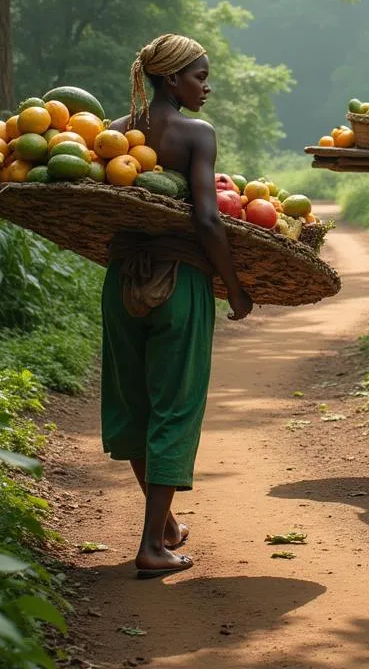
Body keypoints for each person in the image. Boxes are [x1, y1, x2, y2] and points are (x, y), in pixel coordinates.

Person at [104, 34, 252, 578]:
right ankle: (151, 546)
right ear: (172, 80)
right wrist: (234, 286)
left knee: (136, 403)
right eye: (199, 76)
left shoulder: (117, 133)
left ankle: (164, 527)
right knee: (175, 406)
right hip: (181, 278)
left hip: (122, 280)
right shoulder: (195, 133)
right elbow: (208, 220)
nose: (205, 87)